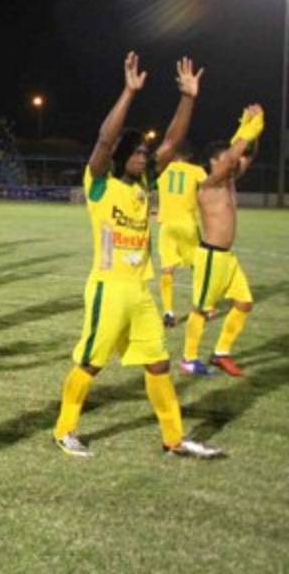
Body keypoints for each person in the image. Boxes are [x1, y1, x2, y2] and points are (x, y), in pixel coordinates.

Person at [52, 53, 221, 459]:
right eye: (138, 152)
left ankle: (174, 439)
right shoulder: (99, 185)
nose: (145, 157)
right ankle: (64, 430)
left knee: (159, 364)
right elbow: (104, 140)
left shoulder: (145, 186)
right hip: (108, 290)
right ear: (122, 155)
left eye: (146, 154)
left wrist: (188, 98)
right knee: (91, 363)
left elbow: (172, 142)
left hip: (140, 293)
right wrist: (128, 92)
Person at [180, 105, 263, 377]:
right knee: (202, 309)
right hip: (211, 257)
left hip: (228, 258)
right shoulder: (208, 185)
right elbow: (232, 158)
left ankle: (220, 352)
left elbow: (247, 155)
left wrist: (254, 130)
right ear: (214, 162)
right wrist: (247, 132)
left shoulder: (228, 181)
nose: (233, 162)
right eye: (226, 158)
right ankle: (189, 359)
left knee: (244, 302)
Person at [155, 144, 206, 331]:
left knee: (167, 269)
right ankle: (203, 306)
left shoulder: (162, 170)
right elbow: (209, 187)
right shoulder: (196, 170)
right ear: (189, 156)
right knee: (198, 266)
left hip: (167, 225)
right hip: (188, 224)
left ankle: (168, 312)